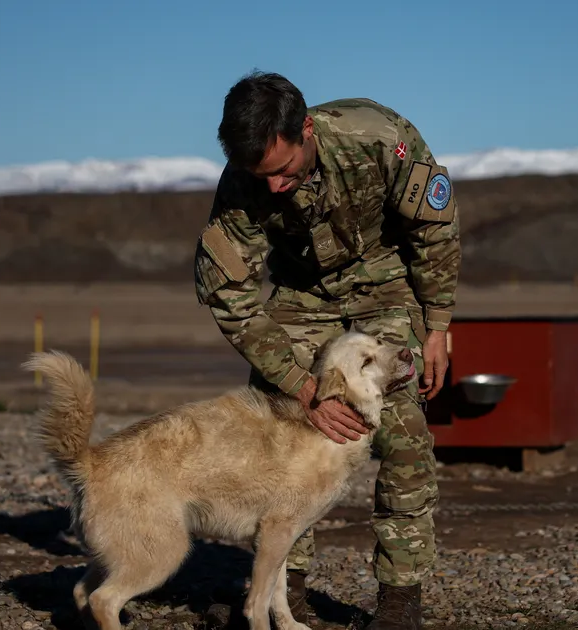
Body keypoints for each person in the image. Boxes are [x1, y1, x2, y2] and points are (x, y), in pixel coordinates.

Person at [192, 70, 461, 629]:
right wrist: (301, 385)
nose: (274, 187)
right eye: (261, 176)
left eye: (285, 170)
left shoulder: (378, 136)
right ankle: (281, 591)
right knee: (279, 436)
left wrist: (437, 324)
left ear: (307, 130)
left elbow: (433, 228)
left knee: (402, 433)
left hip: (385, 286)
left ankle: (399, 599)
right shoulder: (242, 182)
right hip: (300, 294)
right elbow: (228, 293)